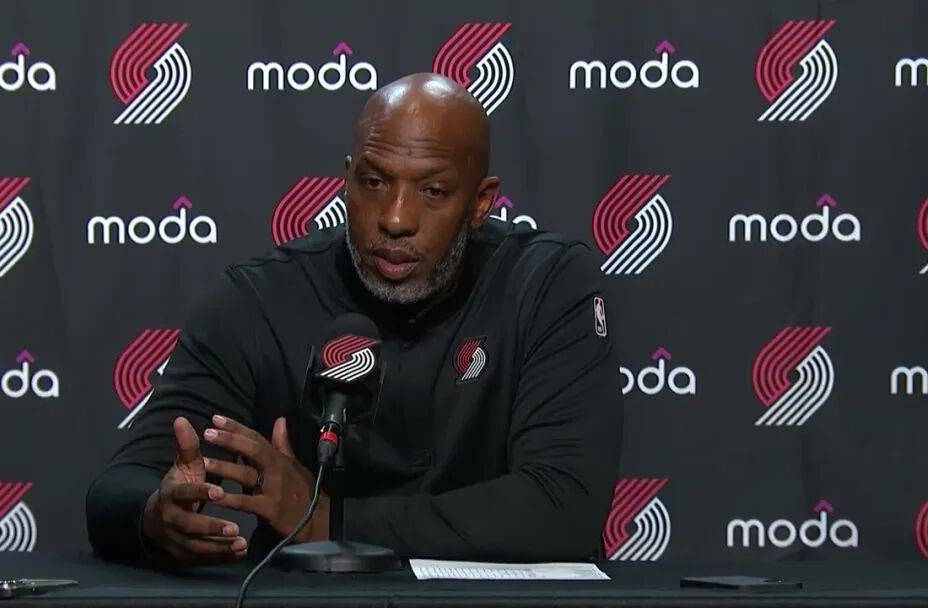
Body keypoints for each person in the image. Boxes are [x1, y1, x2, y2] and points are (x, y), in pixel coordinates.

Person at [86, 72, 624, 566]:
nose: (395, 218)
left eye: (432, 191)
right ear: (346, 180)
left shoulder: (545, 285)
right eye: (374, 182)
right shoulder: (261, 300)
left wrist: (325, 519)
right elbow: (118, 488)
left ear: (481, 203)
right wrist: (156, 516)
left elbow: (564, 507)